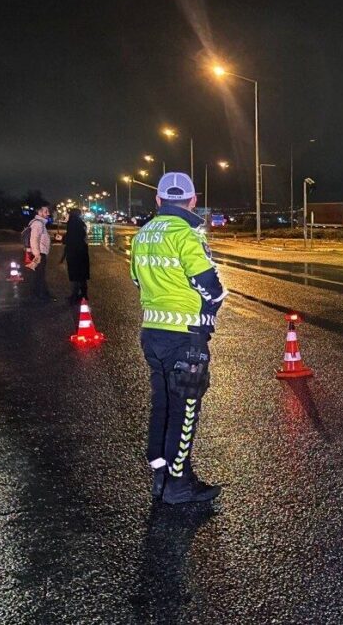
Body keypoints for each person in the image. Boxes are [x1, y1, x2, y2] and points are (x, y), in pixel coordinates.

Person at [131, 172, 226, 504]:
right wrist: (204, 318)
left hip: (152, 333)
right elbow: (212, 288)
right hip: (184, 336)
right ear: (193, 201)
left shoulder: (141, 236)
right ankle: (179, 484)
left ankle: (160, 473)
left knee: (163, 404)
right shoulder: (186, 235)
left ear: (158, 201)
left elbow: (137, 281)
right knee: (185, 410)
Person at [61, 212, 90, 304]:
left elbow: (69, 239)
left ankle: (75, 296)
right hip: (82, 253)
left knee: (75, 275)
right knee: (82, 275)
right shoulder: (81, 224)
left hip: (73, 253)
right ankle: (84, 294)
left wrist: (63, 239)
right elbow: (83, 237)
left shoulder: (72, 224)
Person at [27, 203, 55, 302]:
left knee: (38, 275)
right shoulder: (38, 223)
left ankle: (39, 294)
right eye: (45, 211)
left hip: (39, 252)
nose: (48, 213)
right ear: (39, 212)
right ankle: (41, 296)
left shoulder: (40, 223)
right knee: (39, 275)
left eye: (48, 211)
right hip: (39, 253)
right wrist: (37, 255)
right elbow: (34, 239)